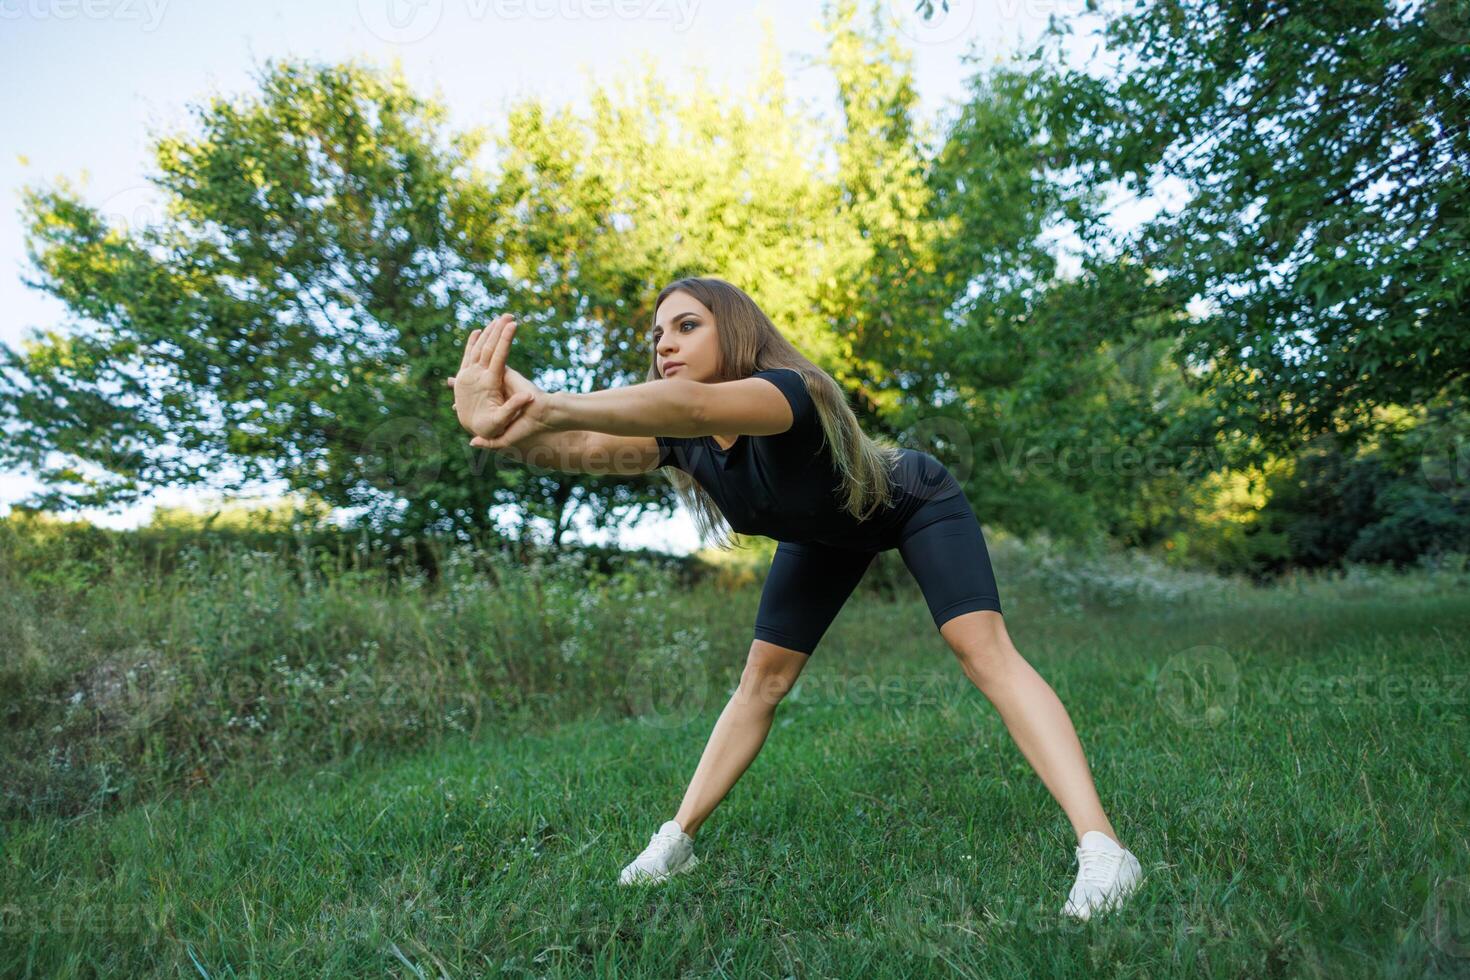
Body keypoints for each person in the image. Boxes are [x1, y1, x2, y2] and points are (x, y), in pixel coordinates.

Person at [445, 277, 1143, 920]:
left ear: (736, 332)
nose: (665, 344)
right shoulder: (681, 444)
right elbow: (571, 451)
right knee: (761, 682)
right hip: (823, 534)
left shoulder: (785, 391)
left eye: (686, 325)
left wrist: (548, 405)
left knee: (979, 648)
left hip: (910, 501)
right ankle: (676, 841)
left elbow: (690, 404)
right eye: (658, 335)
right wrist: (510, 424)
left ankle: (1106, 850)